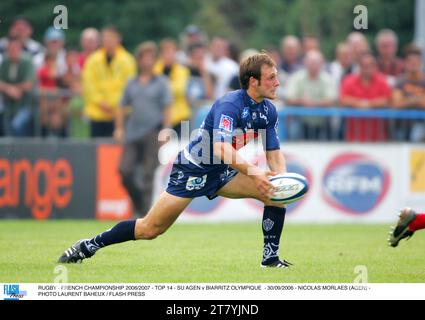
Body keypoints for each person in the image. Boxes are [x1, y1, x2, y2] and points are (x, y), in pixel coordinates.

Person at [58, 53, 293, 268]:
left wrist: (281, 178)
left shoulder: (268, 111)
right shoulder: (230, 105)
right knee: (150, 229)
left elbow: (273, 153)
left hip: (222, 171)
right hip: (193, 169)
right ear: (254, 81)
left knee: (274, 192)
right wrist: (254, 172)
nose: (277, 82)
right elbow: (220, 147)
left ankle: (270, 260)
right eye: (271, 77)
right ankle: (89, 245)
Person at [114, 41, 172, 217]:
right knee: (125, 170)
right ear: (139, 60)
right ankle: (138, 204)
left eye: (151, 58)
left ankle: (146, 215)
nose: (148, 61)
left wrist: (166, 130)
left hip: (153, 131)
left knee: (148, 173)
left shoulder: (161, 82)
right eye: (145, 57)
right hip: (132, 133)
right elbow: (121, 106)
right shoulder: (131, 83)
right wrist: (119, 128)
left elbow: (168, 107)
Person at [82, 26, 136, 137]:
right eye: (106, 37)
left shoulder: (127, 60)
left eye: (111, 37)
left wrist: (113, 105)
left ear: (118, 39)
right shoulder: (93, 60)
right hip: (97, 114)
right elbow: (89, 85)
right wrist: (101, 102)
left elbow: (129, 87)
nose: (108, 41)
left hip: (120, 115)